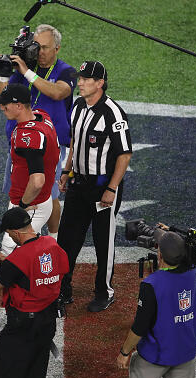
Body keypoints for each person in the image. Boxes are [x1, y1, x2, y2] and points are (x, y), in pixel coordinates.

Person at [0, 207, 68, 378]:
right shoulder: (52, 244)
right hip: (47, 323)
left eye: (8, 234)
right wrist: (8, 264)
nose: (10, 237)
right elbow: (42, 270)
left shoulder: (19, 258)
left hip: (22, 327)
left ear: (15, 232)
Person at [57, 61, 132, 312]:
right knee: (68, 238)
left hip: (102, 187)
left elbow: (124, 154)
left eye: (86, 79)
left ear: (100, 83)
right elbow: (74, 142)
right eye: (80, 78)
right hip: (79, 184)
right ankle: (62, 287)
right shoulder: (78, 106)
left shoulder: (113, 113)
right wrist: (67, 171)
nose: (80, 82)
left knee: (103, 242)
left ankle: (104, 291)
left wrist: (111, 189)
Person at [0, 24, 76, 239]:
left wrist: (27, 73)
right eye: (37, 46)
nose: (40, 52)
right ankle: (19, 234)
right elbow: (4, 96)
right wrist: (4, 73)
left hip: (50, 147)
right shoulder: (23, 68)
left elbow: (58, 93)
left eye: (46, 47)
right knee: (18, 191)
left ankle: (53, 238)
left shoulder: (66, 71)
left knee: (50, 195)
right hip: (19, 142)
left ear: (57, 48)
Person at [116, 230, 196, 378]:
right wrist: (171, 234)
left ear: (160, 254)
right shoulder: (193, 270)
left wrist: (124, 352)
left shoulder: (151, 284)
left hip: (155, 355)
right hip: (185, 351)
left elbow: (140, 327)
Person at [0, 83, 59, 257]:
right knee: (31, 253)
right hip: (38, 200)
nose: (1, 107)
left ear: (19, 106)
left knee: (9, 254)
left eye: (5, 104)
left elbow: (37, 181)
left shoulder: (28, 136)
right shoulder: (42, 116)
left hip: (31, 204)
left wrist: (21, 206)